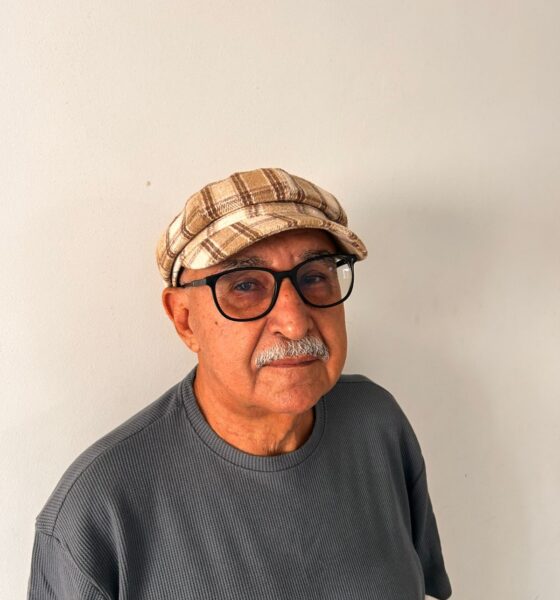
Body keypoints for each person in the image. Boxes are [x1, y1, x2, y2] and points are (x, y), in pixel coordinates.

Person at [28, 168, 452, 599]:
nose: (294, 322)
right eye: (245, 286)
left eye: (314, 277)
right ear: (184, 319)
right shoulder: (97, 510)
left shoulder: (376, 423)